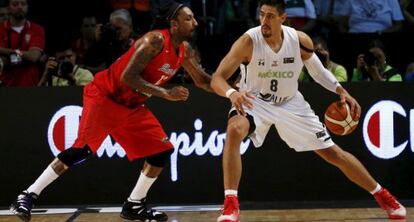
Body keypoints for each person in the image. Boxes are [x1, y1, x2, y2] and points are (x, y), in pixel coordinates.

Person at [10, 1, 211, 222]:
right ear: (174, 24)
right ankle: (28, 195)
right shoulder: (154, 40)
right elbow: (128, 76)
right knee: (81, 151)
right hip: (105, 97)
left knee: (161, 152)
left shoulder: (185, 50)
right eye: (188, 18)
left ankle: (134, 204)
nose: (195, 22)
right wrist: (165, 93)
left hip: (132, 105)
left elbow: (203, 81)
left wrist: (233, 89)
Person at [210, 1, 406, 221]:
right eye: (262, 15)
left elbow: (318, 72)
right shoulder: (248, 41)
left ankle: (383, 196)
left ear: (283, 18)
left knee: (333, 153)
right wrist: (231, 94)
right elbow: (217, 78)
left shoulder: (299, 41)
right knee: (235, 130)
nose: (264, 21)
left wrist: (340, 89)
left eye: (270, 16)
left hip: (290, 103)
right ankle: (230, 204)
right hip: (254, 101)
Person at [0, 0, 45, 86]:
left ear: (27, 7)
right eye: (15, 4)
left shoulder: (37, 29)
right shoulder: (1, 29)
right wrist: (25, 56)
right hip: (5, 85)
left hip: (30, 85)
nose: (20, 7)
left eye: (23, 4)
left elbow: (33, 57)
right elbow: (3, 62)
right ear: (8, 8)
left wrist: (4, 51)